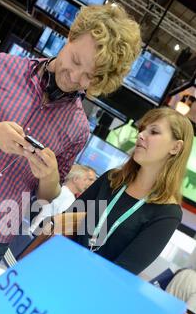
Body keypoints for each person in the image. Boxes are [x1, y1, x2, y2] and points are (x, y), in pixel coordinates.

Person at [0, 4, 142, 265]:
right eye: (76, 61)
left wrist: (50, 176)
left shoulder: (78, 128)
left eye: (90, 77)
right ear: (70, 36)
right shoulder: (3, 67)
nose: (75, 77)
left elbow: (45, 197)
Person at [53, 107, 194, 275]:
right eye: (142, 129)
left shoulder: (167, 213)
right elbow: (65, 223)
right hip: (56, 267)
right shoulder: (111, 179)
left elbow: (122, 273)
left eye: (154, 132)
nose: (141, 135)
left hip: (90, 293)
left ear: (176, 148)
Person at [29, 164, 93, 233]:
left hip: (34, 232)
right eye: (86, 180)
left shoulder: (59, 190)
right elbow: (60, 226)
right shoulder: (69, 198)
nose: (89, 184)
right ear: (75, 179)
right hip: (39, 237)